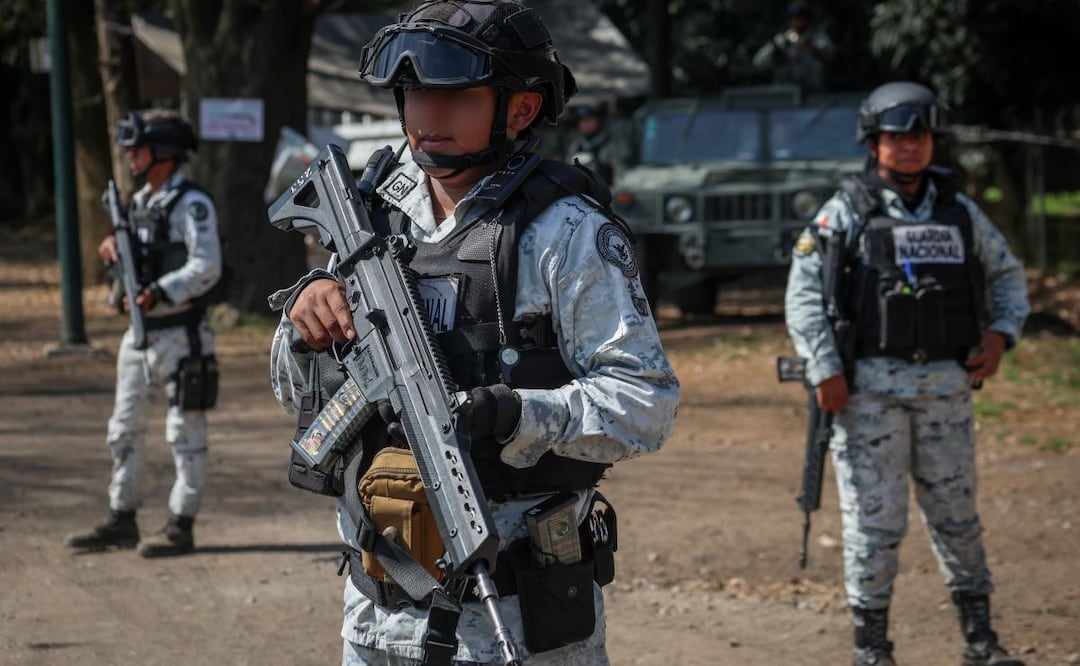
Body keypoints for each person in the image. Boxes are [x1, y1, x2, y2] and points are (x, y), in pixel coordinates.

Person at [268, 0, 680, 664]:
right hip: (378, 617)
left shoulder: (565, 233)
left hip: (514, 618)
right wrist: (305, 324)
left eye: (453, 97)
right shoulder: (373, 219)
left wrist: (517, 413)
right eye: (414, 95)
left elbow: (646, 405)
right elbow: (295, 392)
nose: (425, 117)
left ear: (518, 110)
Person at [784, 81, 1030, 666]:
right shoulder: (845, 211)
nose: (910, 147)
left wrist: (1000, 334)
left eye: (919, 135)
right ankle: (872, 649)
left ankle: (980, 642)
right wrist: (824, 369)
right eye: (897, 136)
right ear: (875, 142)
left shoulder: (958, 211)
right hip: (867, 397)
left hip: (946, 392)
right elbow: (804, 296)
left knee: (957, 520)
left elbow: (1007, 277)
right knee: (875, 527)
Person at [66, 109, 222, 558]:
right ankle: (121, 517)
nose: (130, 157)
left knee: (184, 432)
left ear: (165, 152)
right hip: (139, 336)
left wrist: (161, 291)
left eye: (139, 149)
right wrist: (116, 253)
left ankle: (181, 523)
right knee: (123, 429)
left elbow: (206, 265)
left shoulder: (191, 203)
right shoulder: (137, 203)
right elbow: (138, 260)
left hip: (182, 333)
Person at [752, 1, 834, 92]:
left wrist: (811, 47)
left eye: (802, 17)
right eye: (795, 17)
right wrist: (775, 57)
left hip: (813, 92)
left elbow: (829, 55)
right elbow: (758, 62)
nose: (798, 21)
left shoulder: (818, 38)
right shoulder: (782, 39)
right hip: (786, 93)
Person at [565, 103, 613, 185]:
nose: (585, 124)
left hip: (605, 190)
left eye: (589, 120)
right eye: (582, 120)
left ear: (599, 121)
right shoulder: (576, 144)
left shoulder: (610, 142)